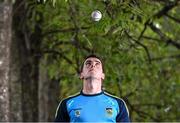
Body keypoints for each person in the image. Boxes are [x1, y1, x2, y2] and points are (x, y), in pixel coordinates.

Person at [54, 54, 130, 122]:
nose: (93, 65)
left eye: (97, 64)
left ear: (102, 75)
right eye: (88, 63)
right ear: (81, 75)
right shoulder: (67, 103)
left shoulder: (118, 103)